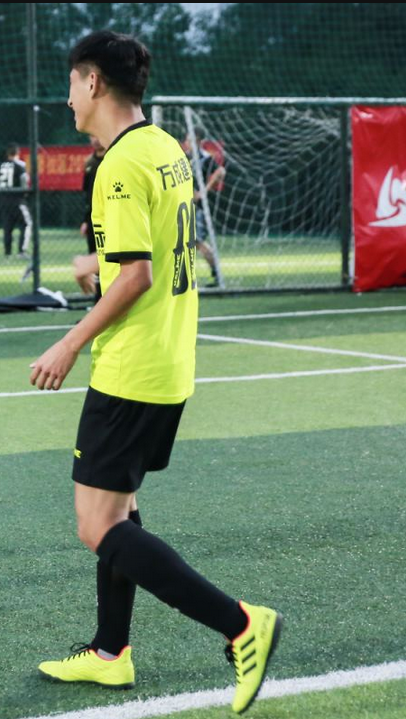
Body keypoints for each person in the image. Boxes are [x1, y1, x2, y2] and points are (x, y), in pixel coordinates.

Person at [30, 31, 281, 715]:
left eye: (71, 84)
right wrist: (98, 267)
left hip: (131, 367)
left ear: (92, 83)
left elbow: (137, 275)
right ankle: (111, 652)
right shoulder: (166, 148)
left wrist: (69, 342)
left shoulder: (117, 166)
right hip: (167, 359)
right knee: (120, 508)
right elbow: (160, 253)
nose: (68, 98)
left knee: (96, 525)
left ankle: (242, 625)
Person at [181, 133, 225, 287]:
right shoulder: (185, 156)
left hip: (196, 206)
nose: (186, 142)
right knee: (187, 242)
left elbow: (221, 171)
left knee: (197, 241)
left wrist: (203, 191)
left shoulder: (204, 158)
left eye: (189, 140)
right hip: (183, 204)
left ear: (198, 141)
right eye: (186, 140)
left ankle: (217, 275)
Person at [75, 136, 106, 299]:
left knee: (110, 260)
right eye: (92, 136)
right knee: (95, 256)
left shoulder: (113, 160)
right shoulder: (89, 163)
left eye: (97, 135)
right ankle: (98, 300)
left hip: (109, 219)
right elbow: (88, 196)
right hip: (93, 220)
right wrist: (85, 221)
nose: (95, 139)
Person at [0, 143, 31, 259]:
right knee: (26, 224)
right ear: (18, 153)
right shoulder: (20, 165)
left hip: (4, 200)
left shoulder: (1, 166)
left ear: (7, 154)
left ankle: (8, 253)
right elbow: (24, 180)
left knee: (8, 227)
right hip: (17, 200)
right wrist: (25, 192)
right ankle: (22, 251)